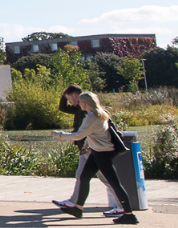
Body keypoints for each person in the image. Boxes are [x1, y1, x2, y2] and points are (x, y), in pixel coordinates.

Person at [50, 92, 139, 225]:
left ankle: (129, 214)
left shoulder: (91, 117)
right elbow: (95, 134)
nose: (78, 104)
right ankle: (78, 208)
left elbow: (79, 135)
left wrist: (60, 135)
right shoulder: (101, 114)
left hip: (102, 154)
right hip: (98, 151)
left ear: (85, 103)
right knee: (85, 177)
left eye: (80, 101)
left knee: (115, 183)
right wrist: (87, 145)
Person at [57, 85, 124, 217]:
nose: (70, 103)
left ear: (80, 99)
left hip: (94, 150)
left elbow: (82, 133)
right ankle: (75, 204)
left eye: (70, 99)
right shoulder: (82, 110)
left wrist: (60, 135)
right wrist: (64, 93)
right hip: (86, 148)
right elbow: (63, 108)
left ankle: (123, 207)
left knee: (106, 179)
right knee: (81, 176)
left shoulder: (89, 114)